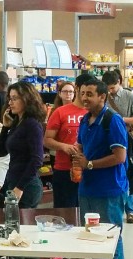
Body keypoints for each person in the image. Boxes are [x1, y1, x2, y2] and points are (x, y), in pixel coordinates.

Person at [73, 79, 128, 259]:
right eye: (82, 93)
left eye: (90, 94)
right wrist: (76, 156)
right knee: (92, 238)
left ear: (102, 96)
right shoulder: (84, 120)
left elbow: (120, 156)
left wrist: (89, 164)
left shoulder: (113, 120)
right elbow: (80, 145)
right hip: (87, 189)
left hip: (109, 191)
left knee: (111, 238)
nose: (84, 98)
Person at [102, 70, 133, 224]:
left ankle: (130, 210)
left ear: (119, 82)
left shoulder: (130, 96)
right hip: (107, 139)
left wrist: (118, 119)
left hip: (126, 138)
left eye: (112, 88)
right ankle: (114, 208)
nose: (110, 91)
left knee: (128, 172)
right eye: (107, 88)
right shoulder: (103, 96)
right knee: (113, 172)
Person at [44, 76, 93, 208]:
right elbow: (47, 140)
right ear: (78, 89)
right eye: (85, 92)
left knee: (89, 213)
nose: (87, 96)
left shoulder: (94, 113)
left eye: (91, 93)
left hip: (90, 169)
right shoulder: (60, 112)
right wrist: (64, 146)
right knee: (65, 213)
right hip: (64, 169)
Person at [0, 81, 45, 208]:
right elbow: (0, 152)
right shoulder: (18, 123)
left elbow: (37, 159)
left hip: (27, 185)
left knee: (22, 224)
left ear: (26, 99)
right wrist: (5, 128)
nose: (10, 102)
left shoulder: (32, 124)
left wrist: (20, 187)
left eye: (15, 98)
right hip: (14, 181)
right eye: (10, 99)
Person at [46, 80, 78, 174]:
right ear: (60, 93)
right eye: (65, 91)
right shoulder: (56, 111)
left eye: (71, 91)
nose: (68, 94)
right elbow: (48, 137)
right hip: (58, 154)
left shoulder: (82, 110)